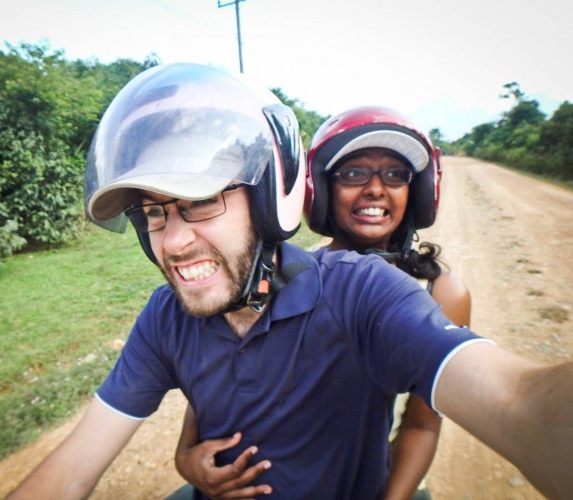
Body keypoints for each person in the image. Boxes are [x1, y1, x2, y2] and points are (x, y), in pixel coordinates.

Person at [8, 63, 573, 500]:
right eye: (153, 213)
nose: (173, 242)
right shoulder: (166, 317)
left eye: (201, 202)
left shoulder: (365, 291)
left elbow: (516, 405)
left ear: (269, 194)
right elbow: (70, 472)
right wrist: (186, 460)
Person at [172, 107, 471, 500]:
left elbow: (421, 426)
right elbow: (221, 372)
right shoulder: (289, 273)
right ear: (322, 189)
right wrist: (185, 456)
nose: (377, 188)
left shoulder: (438, 292)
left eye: (396, 174)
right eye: (353, 173)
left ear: (414, 191)